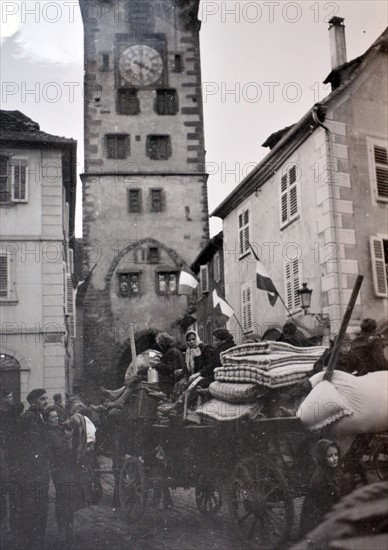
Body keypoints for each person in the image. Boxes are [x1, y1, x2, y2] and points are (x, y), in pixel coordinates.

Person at [10, 388, 50, 549]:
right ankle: (33, 541)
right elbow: (36, 447)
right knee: (34, 507)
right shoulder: (31, 419)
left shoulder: (37, 416)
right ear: (33, 402)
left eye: (46, 399)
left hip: (36, 470)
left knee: (37, 506)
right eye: (42, 399)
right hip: (33, 471)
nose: (46, 402)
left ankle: (34, 539)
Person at [299, 439, 352, 537]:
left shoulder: (337, 471)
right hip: (320, 518)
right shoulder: (319, 478)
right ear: (323, 458)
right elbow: (324, 507)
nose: (334, 458)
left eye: (336, 455)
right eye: (330, 456)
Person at [45, 406, 81, 542]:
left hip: (67, 468)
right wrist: (68, 438)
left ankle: (68, 526)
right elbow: (59, 449)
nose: (55, 419)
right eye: (52, 417)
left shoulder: (58, 429)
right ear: (47, 419)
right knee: (62, 498)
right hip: (58, 469)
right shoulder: (49, 432)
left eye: (56, 417)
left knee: (68, 498)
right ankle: (62, 527)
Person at [154, 332, 185, 397]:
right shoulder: (172, 350)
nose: (159, 346)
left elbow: (172, 368)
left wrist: (157, 364)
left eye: (159, 344)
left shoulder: (171, 352)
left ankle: (165, 394)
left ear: (162, 343)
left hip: (172, 385)